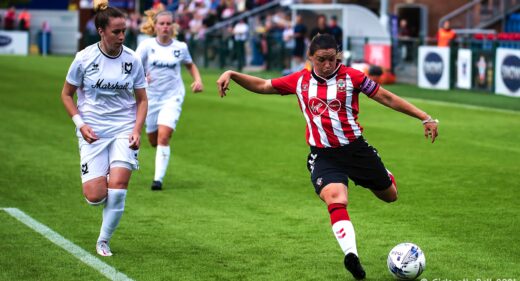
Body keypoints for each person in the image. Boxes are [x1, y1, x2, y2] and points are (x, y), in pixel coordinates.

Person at [216, 34, 439, 280]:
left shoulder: (352, 77)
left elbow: (385, 97)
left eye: (332, 59)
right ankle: (351, 256)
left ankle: (383, 175)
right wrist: (233, 74)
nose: (327, 65)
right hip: (323, 155)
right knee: (336, 197)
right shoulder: (299, 80)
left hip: (356, 151)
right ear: (310, 58)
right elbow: (263, 85)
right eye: (321, 60)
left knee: (390, 196)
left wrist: (424, 117)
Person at [60, 0, 148, 257]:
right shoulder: (84, 58)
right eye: (116, 32)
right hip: (93, 132)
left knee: (118, 190)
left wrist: (137, 130)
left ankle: (103, 240)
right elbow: (66, 95)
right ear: (101, 31)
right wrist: (81, 124)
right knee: (96, 195)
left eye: (124, 31)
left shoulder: (132, 59)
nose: (122, 36)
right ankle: (104, 179)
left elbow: (142, 99)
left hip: (124, 129)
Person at [136, 9, 203, 191]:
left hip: (172, 97)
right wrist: (142, 78)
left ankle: (158, 180)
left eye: (168, 24)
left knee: (164, 137)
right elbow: (133, 68)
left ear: (173, 26)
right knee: (153, 140)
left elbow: (190, 64)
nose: (165, 27)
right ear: (155, 26)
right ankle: (159, 157)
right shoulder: (146, 46)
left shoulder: (180, 47)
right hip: (150, 99)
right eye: (162, 24)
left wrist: (197, 80)